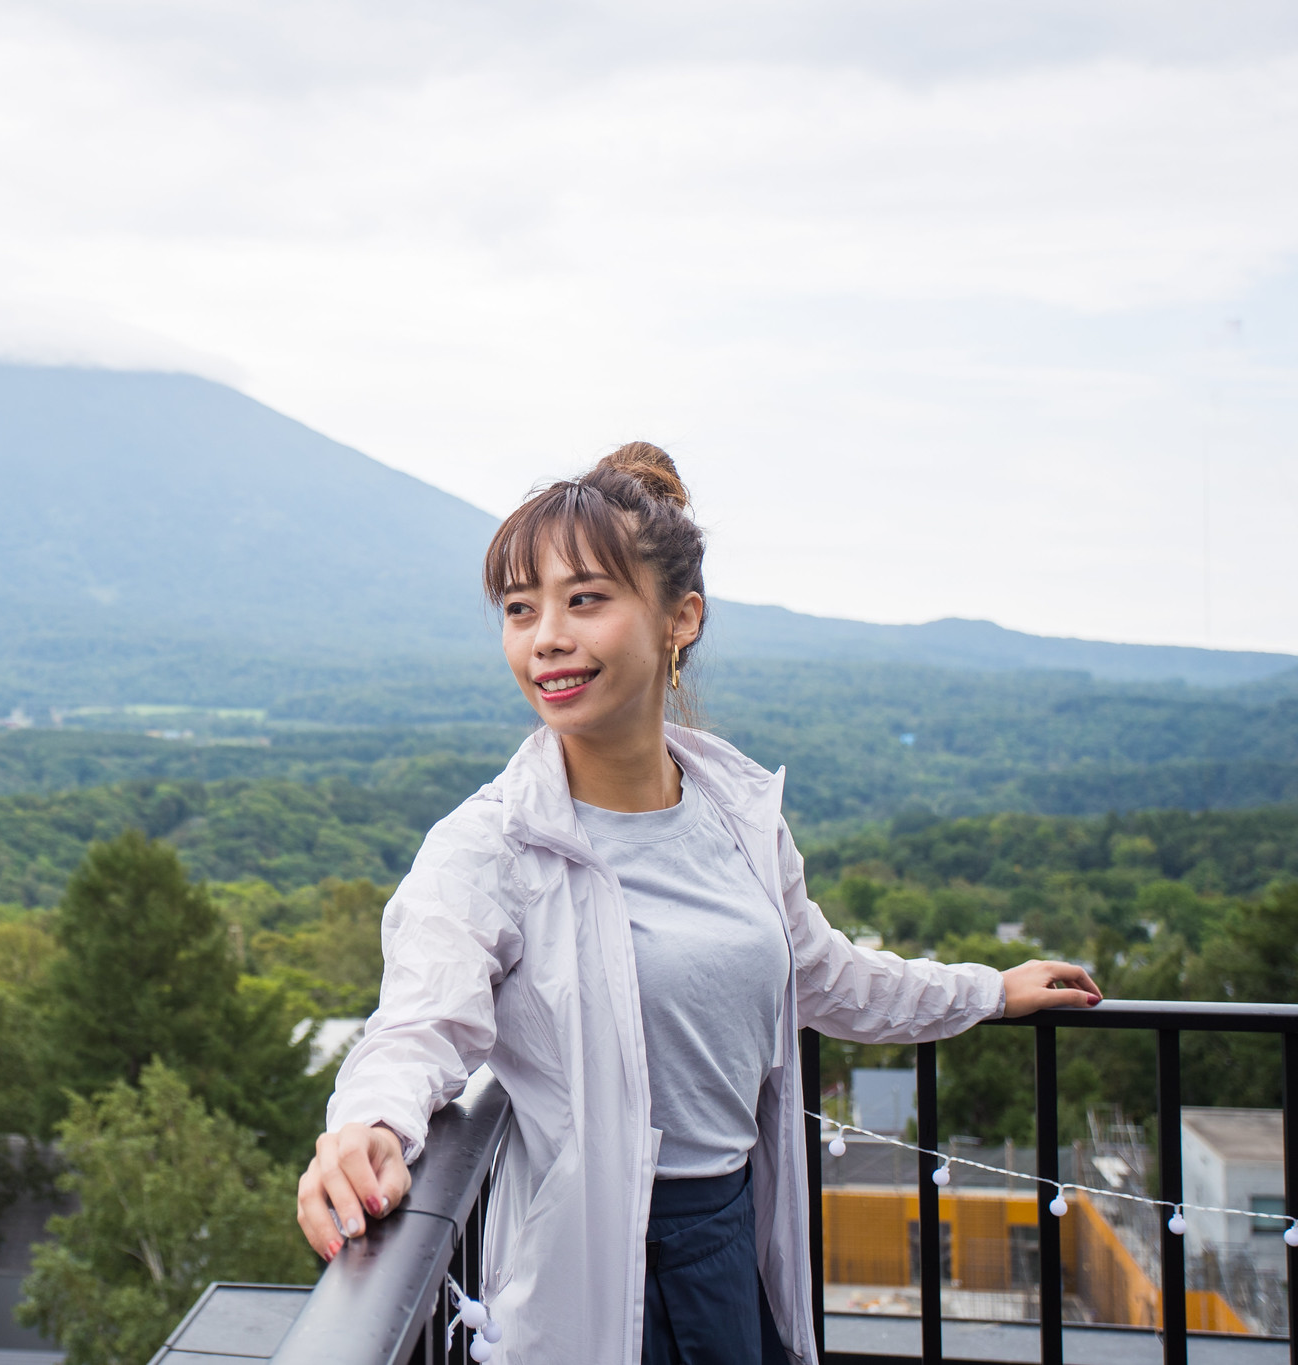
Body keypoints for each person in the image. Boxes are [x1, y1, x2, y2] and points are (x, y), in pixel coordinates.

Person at [295, 443, 1102, 1365]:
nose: (546, 636)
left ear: (681, 617)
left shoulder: (737, 813)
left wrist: (988, 992)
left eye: (585, 599)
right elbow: (420, 1023)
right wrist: (366, 1126)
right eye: (520, 610)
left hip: (734, 1240)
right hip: (600, 1270)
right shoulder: (493, 846)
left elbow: (825, 974)